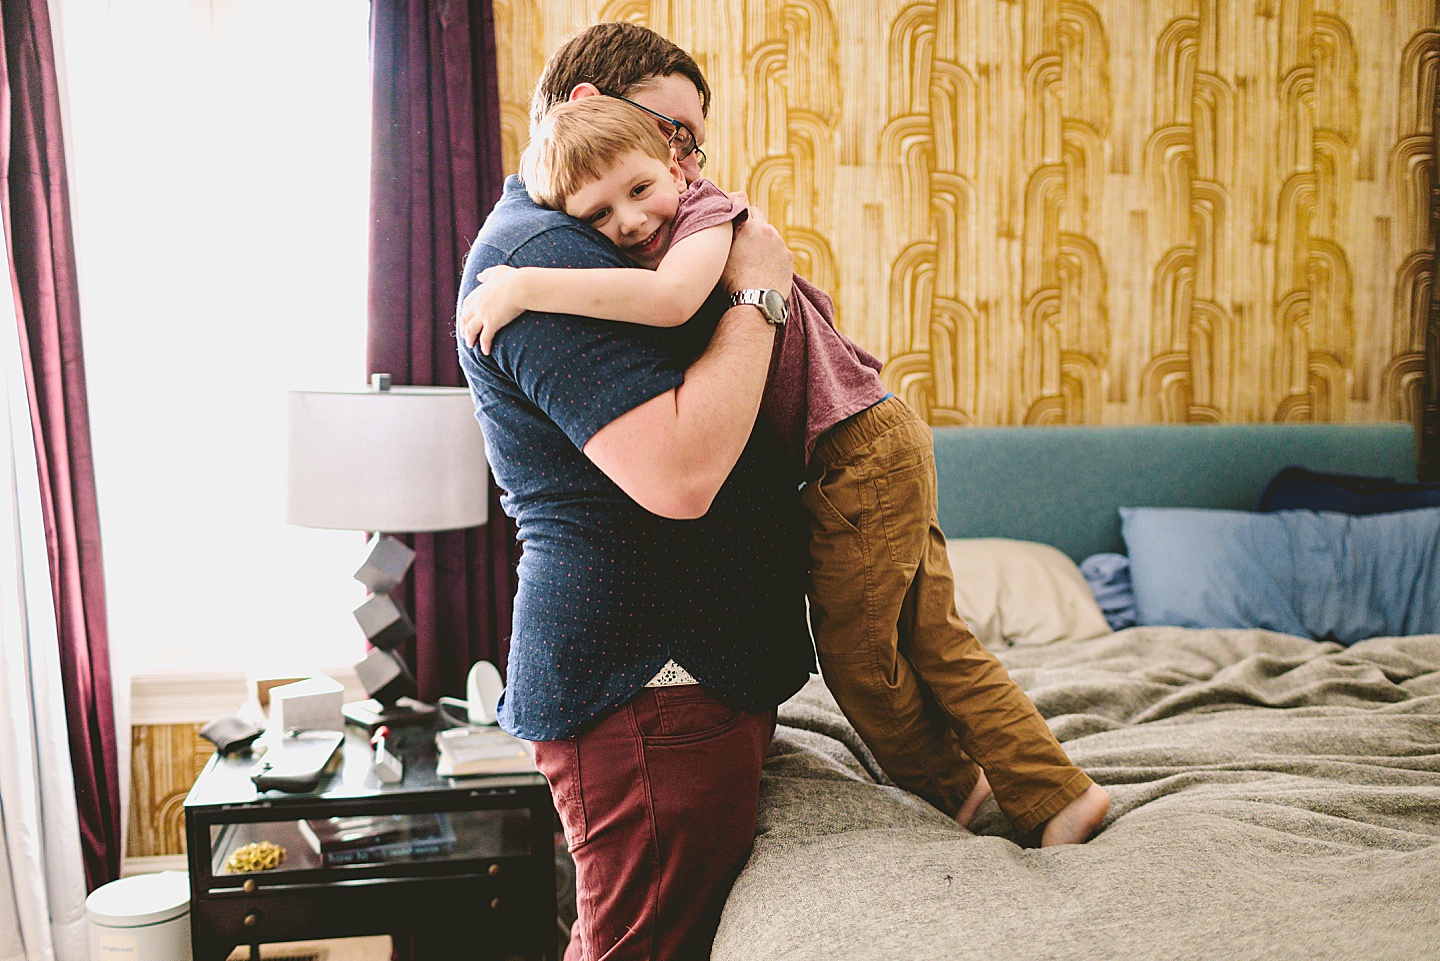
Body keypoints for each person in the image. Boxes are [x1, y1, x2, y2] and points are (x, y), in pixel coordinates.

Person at [459, 95, 1111, 847]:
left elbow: (670, 304)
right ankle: (1054, 793)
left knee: (858, 658)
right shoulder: (665, 231)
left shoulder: (712, 220)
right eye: (599, 218)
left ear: (676, 164)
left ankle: (951, 789)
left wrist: (527, 285)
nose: (630, 223)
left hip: (857, 455)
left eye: (639, 191)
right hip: (874, 440)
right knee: (933, 639)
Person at [453, 22, 815, 961]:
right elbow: (681, 473)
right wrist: (759, 293)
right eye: (674, 133)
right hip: (651, 678)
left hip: (680, 677)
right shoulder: (544, 255)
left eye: (695, 145)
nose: (685, 164)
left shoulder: (593, 244)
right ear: (587, 110)